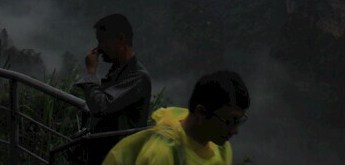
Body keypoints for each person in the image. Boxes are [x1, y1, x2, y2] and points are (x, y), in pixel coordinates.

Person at [102, 70, 249, 165]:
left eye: (238, 121)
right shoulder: (164, 153)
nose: (235, 130)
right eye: (229, 121)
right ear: (201, 112)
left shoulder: (221, 148)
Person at [73, 14, 151, 165]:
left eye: (102, 41)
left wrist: (91, 73)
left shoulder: (138, 77)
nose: (98, 48)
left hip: (119, 158)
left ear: (121, 39)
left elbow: (101, 106)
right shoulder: (118, 70)